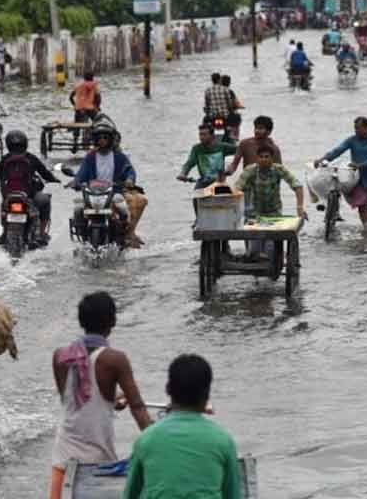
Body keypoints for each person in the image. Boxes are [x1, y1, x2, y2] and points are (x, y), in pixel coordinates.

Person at [49, 292, 153, 499]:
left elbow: (72, 401)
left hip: (63, 459)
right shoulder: (115, 359)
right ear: (112, 321)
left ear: (81, 321)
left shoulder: (60, 356)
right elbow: (138, 407)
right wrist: (159, 443)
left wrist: (110, 400)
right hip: (98, 463)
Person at [122, 354, 241, 499]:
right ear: (207, 394)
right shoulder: (223, 441)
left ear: (168, 389)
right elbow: (233, 494)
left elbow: (131, 494)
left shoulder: (146, 439)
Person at [72, 120, 144, 247]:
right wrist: (75, 182)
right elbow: (82, 173)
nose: (102, 140)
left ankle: (126, 234)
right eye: (99, 137)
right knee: (78, 209)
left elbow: (129, 170)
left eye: (105, 137)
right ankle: (82, 235)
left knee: (123, 211)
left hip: (114, 192)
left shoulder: (119, 157)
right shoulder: (90, 157)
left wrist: (129, 180)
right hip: (92, 193)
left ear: (111, 139)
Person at [315, 116, 367, 228]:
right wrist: (323, 159)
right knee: (362, 206)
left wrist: (360, 165)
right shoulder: (352, 140)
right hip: (357, 178)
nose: (356, 131)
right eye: (355, 128)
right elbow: (338, 150)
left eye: (359, 128)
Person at [234, 145, 305, 259]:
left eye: (267, 157)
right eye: (261, 157)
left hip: (274, 214)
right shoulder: (250, 170)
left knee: (270, 248)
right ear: (257, 158)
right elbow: (237, 188)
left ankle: (272, 262)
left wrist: (300, 207)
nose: (264, 159)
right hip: (255, 214)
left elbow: (297, 185)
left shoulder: (278, 169)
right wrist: (234, 211)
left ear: (272, 158)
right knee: (255, 250)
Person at [0, 130, 60, 246]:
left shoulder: (4, 159)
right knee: (45, 201)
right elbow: (44, 173)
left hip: (9, 197)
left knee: (4, 208)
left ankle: (4, 233)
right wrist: (54, 179)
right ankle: (41, 233)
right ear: (25, 143)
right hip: (29, 196)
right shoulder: (31, 158)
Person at [177, 123, 237, 190]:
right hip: (204, 182)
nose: (201, 137)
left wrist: (232, 166)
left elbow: (240, 150)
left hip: (220, 181)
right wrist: (183, 173)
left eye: (204, 134)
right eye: (200, 134)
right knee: (196, 195)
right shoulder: (197, 149)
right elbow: (189, 163)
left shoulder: (222, 147)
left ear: (212, 136)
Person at [70, 72, 101, 146]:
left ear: (84, 78)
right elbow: (98, 98)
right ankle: (96, 138)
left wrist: (75, 105)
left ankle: (75, 141)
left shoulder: (78, 86)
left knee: (77, 124)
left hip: (78, 108)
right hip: (89, 108)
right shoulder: (94, 85)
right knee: (98, 122)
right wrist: (97, 107)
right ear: (92, 78)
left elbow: (70, 97)